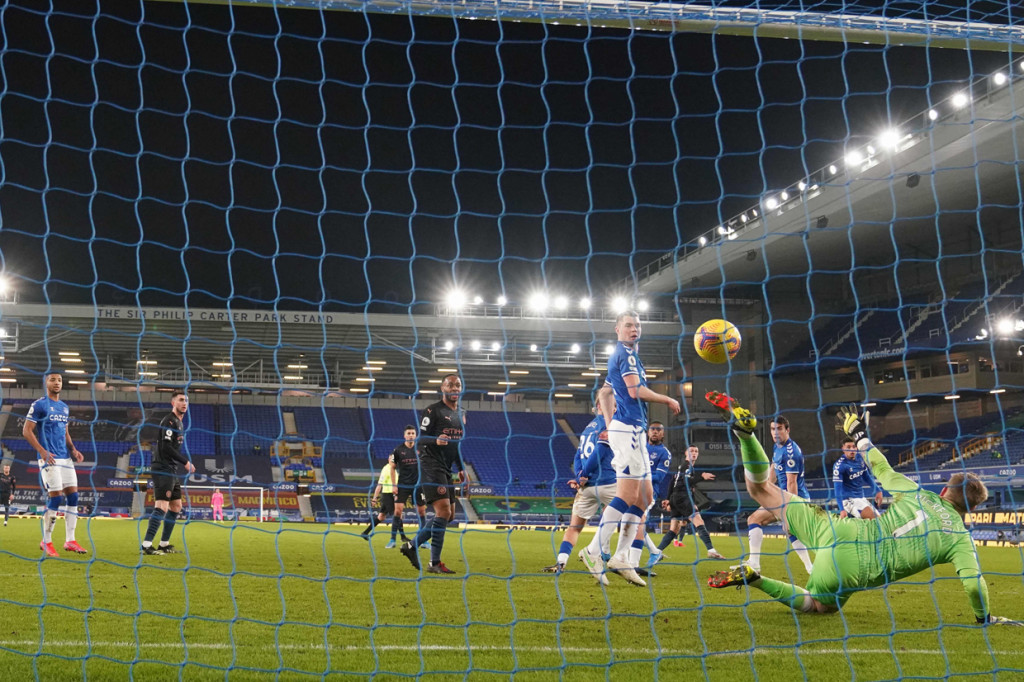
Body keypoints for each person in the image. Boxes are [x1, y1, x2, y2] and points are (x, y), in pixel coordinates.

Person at [705, 393, 1022, 626]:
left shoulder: (917, 492)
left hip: (836, 526)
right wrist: (985, 617)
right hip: (855, 567)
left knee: (760, 489)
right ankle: (755, 579)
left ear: (943, 491)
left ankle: (745, 435)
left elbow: (881, 469)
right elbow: (973, 584)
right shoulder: (959, 537)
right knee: (818, 606)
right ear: (972, 508)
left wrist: (859, 437)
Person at [579, 311, 681, 587]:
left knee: (646, 496)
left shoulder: (626, 356)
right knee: (627, 495)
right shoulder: (626, 354)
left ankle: (622, 556)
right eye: (628, 325)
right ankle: (592, 551)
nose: (634, 329)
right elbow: (635, 391)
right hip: (629, 431)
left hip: (632, 430)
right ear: (618, 329)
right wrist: (667, 398)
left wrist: (610, 424)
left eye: (637, 325)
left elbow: (604, 392)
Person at [400, 374, 467, 574]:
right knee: (443, 512)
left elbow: (456, 444)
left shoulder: (462, 413)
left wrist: (461, 467)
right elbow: (420, 440)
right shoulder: (433, 410)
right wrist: (436, 440)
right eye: (450, 385)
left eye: (458, 385)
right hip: (430, 465)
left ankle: (411, 546)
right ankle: (434, 563)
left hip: (447, 468)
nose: (454, 388)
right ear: (442, 388)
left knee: (450, 515)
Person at [543, 406, 616, 582]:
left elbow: (577, 456)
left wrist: (579, 476)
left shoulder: (587, 427)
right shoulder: (609, 424)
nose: (615, 407)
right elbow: (600, 452)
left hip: (586, 487)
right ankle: (603, 554)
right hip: (607, 481)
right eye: (613, 404)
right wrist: (585, 475)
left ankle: (561, 562)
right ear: (601, 406)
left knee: (575, 527)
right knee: (633, 512)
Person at [740, 415, 814, 574]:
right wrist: (764, 486)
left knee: (761, 521)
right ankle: (810, 568)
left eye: (779, 429)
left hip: (795, 498)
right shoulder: (777, 447)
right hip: (781, 496)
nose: (775, 433)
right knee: (759, 521)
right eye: (773, 429)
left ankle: (755, 563)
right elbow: (774, 469)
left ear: (787, 430)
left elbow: (791, 482)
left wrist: (790, 512)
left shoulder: (791, 452)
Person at [23, 372, 86, 556]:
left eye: (59, 380)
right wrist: (42, 451)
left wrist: (73, 449)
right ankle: (47, 541)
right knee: (56, 498)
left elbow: (65, 432)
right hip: (49, 458)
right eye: (52, 379)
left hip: (65, 458)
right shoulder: (40, 404)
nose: (56, 382)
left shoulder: (64, 407)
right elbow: (26, 431)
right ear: (46, 383)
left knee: (73, 497)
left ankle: (70, 540)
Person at [141, 391, 196, 556]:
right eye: (180, 400)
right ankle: (146, 545)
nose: (184, 403)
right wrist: (185, 462)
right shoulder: (169, 421)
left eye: (186, 400)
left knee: (176, 506)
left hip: (171, 469)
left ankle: (163, 544)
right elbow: (166, 447)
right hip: (163, 468)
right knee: (162, 506)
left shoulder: (179, 423)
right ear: (173, 403)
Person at [656, 445, 725, 560]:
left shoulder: (682, 467)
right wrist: (702, 476)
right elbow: (687, 481)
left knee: (674, 529)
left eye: (696, 451)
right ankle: (711, 550)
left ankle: (657, 552)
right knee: (699, 521)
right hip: (682, 498)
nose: (694, 453)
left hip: (676, 497)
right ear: (685, 453)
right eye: (691, 451)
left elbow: (673, 481)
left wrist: (669, 499)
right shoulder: (688, 466)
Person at [631, 421, 673, 574]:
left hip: (648, 493)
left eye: (658, 430)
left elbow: (659, 477)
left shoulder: (664, 453)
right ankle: (655, 552)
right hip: (632, 490)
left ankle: (633, 564)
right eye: (652, 429)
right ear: (648, 432)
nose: (655, 432)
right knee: (632, 524)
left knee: (637, 524)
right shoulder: (640, 448)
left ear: (663, 434)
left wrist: (639, 474)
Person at [390, 425, 428, 550]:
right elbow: (392, 467)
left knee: (422, 511)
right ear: (404, 435)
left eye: (413, 433)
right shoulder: (398, 450)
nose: (411, 435)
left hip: (418, 485)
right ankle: (392, 540)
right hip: (402, 485)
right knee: (397, 511)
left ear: (415, 435)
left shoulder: (421, 449)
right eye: (409, 433)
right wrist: (394, 485)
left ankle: (423, 540)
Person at [833, 438, 884, 519]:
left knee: (880, 520)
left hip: (861, 498)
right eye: (848, 447)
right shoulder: (840, 465)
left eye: (854, 447)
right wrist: (841, 509)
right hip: (848, 500)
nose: (852, 449)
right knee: (874, 519)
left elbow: (866, 476)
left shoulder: (860, 458)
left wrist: (878, 490)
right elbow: (837, 489)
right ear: (843, 448)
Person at [360, 461, 396, 540]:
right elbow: (379, 485)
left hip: (390, 495)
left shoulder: (394, 469)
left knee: (381, 517)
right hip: (388, 495)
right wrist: (375, 498)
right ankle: (402, 537)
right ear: (389, 459)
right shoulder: (386, 469)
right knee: (397, 516)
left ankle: (365, 533)